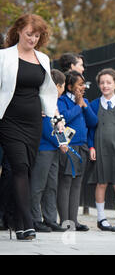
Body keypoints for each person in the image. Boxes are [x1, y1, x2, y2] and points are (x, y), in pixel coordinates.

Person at [0, 13, 63, 240]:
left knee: (25, 170)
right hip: (8, 120)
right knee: (18, 166)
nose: (33, 39)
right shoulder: (4, 57)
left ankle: (14, 218)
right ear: (18, 31)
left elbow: (47, 92)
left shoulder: (43, 59)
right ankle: (26, 223)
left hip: (33, 121)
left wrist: (55, 117)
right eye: (29, 34)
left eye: (37, 35)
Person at [88, 68, 115, 232]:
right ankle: (101, 218)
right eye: (102, 83)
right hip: (100, 149)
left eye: (108, 82)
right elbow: (91, 129)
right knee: (101, 183)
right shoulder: (94, 104)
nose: (105, 86)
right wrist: (91, 146)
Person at [57, 70, 98, 231]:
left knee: (77, 183)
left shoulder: (84, 101)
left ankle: (73, 220)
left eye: (83, 84)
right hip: (69, 146)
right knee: (66, 181)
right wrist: (78, 106)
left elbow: (94, 122)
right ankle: (64, 221)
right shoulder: (62, 101)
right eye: (79, 84)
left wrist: (84, 106)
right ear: (69, 86)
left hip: (82, 146)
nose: (83, 87)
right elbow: (63, 118)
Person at [30, 69, 69, 232]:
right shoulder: (44, 102)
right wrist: (60, 142)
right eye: (63, 86)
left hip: (53, 149)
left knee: (51, 185)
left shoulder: (54, 104)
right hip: (44, 148)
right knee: (38, 185)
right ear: (58, 86)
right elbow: (46, 127)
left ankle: (51, 218)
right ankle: (35, 219)